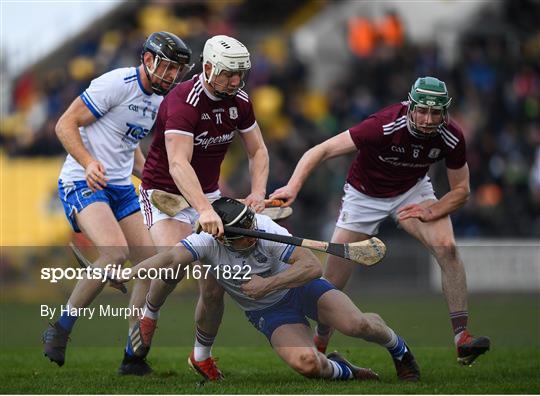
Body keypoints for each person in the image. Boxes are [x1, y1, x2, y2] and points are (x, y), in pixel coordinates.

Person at [270, 76, 491, 366]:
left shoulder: (451, 135)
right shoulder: (383, 125)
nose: (427, 119)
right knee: (331, 283)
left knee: (447, 247)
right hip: (363, 196)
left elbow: (462, 191)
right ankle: (321, 344)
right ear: (410, 107)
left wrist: (432, 212)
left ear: (445, 112)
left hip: (412, 192)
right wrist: (292, 187)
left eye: (435, 113)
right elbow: (319, 151)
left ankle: (461, 338)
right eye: (421, 111)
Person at [116, 197, 421, 382]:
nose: (253, 236)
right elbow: (169, 258)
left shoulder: (265, 228)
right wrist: (127, 273)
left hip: (301, 287)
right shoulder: (206, 242)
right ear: (222, 238)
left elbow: (313, 267)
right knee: (308, 364)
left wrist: (269, 283)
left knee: (358, 324)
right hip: (268, 311)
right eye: (244, 236)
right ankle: (346, 369)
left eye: (252, 226)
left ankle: (400, 349)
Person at [120, 35, 269, 378]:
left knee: (214, 285)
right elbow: (178, 165)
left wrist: (258, 192)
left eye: (240, 74)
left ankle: (202, 355)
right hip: (165, 193)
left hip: (208, 194)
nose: (236, 81)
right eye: (229, 73)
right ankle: (150, 314)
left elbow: (257, 151)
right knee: (176, 264)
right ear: (207, 67)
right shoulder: (183, 101)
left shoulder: (241, 100)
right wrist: (204, 210)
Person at [42, 32, 194, 369]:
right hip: (82, 181)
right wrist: (89, 162)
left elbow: (129, 148)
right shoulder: (115, 83)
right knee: (115, 253)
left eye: (177, 71)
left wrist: (156, 184)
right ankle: (60, 329)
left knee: (151, 266)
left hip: (122, 187)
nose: (172, 76)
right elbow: (66, 124)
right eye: (167, 68)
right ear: (149, 60)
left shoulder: (158, 100)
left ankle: (132, 357)